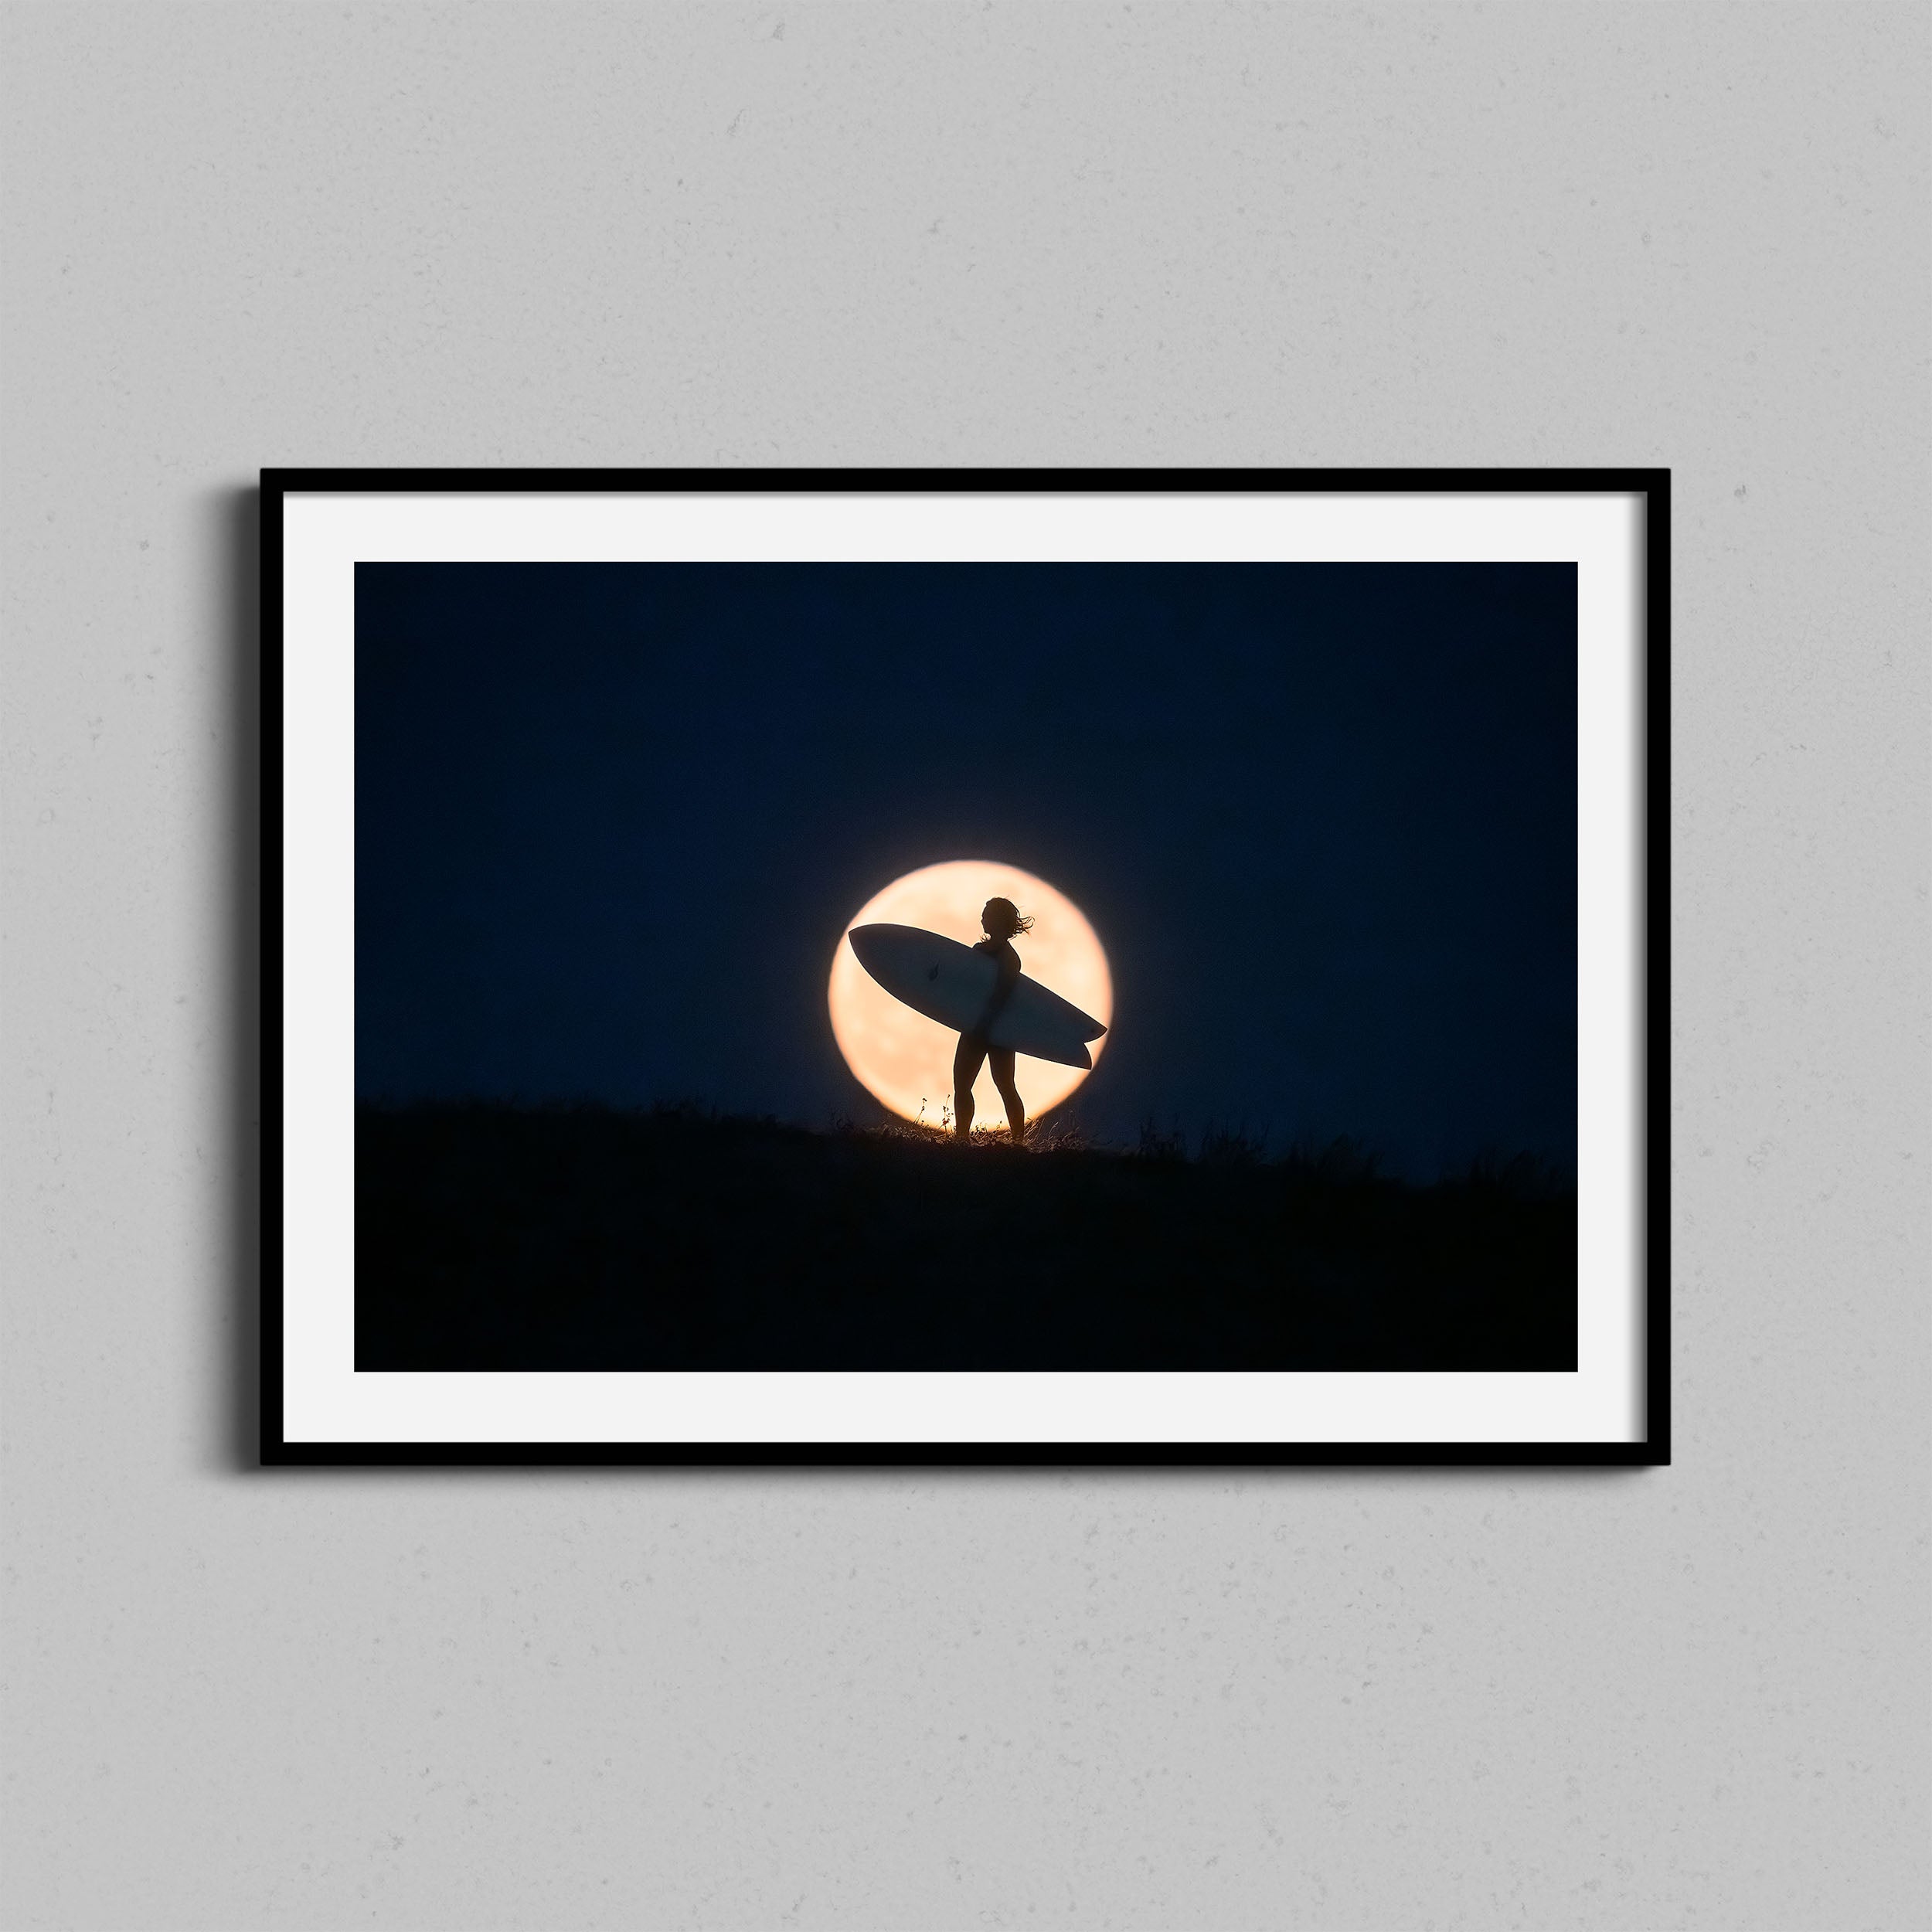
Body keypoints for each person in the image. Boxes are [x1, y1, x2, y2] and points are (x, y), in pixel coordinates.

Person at [953, 896, 1033, 1145]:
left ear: (998, 919)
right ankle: (962, 1140)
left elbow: (1003, 995)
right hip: (975, 1027)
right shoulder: (978, 950)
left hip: (998, 1032)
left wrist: (985, 1025)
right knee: (962, 1084)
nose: (982, 918)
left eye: (986, 914)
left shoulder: (1010, 958)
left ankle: (1019, 1143)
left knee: (1005, 1085)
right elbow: (966, 985)